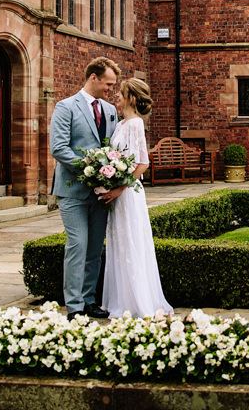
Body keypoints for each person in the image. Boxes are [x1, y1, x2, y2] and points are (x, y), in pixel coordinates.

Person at [49, 56, 120, 320]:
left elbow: (113, 147)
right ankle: (74, 306)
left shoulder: (111, 110)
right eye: (108, 84)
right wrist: (90, 168)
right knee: (77, 245)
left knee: (93, 249)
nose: (111, 89)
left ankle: (90, 300)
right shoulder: (65, 107)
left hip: (102, 193)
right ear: (94, 78)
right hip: (73, 190)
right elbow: (58, 148)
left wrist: (113, 173)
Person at [99, 77, 173, 318]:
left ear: (131, 98)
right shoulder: (120, 125)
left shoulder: (135, 124)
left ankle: (137, 302)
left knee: (131, 241)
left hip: (129, 194)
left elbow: (142, 163)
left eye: (120, 93)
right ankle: (119, 299)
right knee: (118, 242)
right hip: (118, 193)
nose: (116, 96)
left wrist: (120, 188)